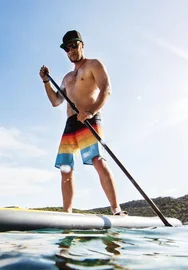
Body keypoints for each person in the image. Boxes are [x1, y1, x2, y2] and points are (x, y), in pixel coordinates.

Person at [39, 30, 126, 216]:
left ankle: (116, 210)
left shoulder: (94, 64)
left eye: (73, 45)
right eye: (67, 48)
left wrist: (91, 111)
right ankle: (67, 213)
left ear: (82, 45)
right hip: (71, 124)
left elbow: (106, 89)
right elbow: (56, 101)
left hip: (90, 118)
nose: (70, 50)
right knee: (65, 168)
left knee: (98, 161)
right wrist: (46, 81)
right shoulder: (66, 78)